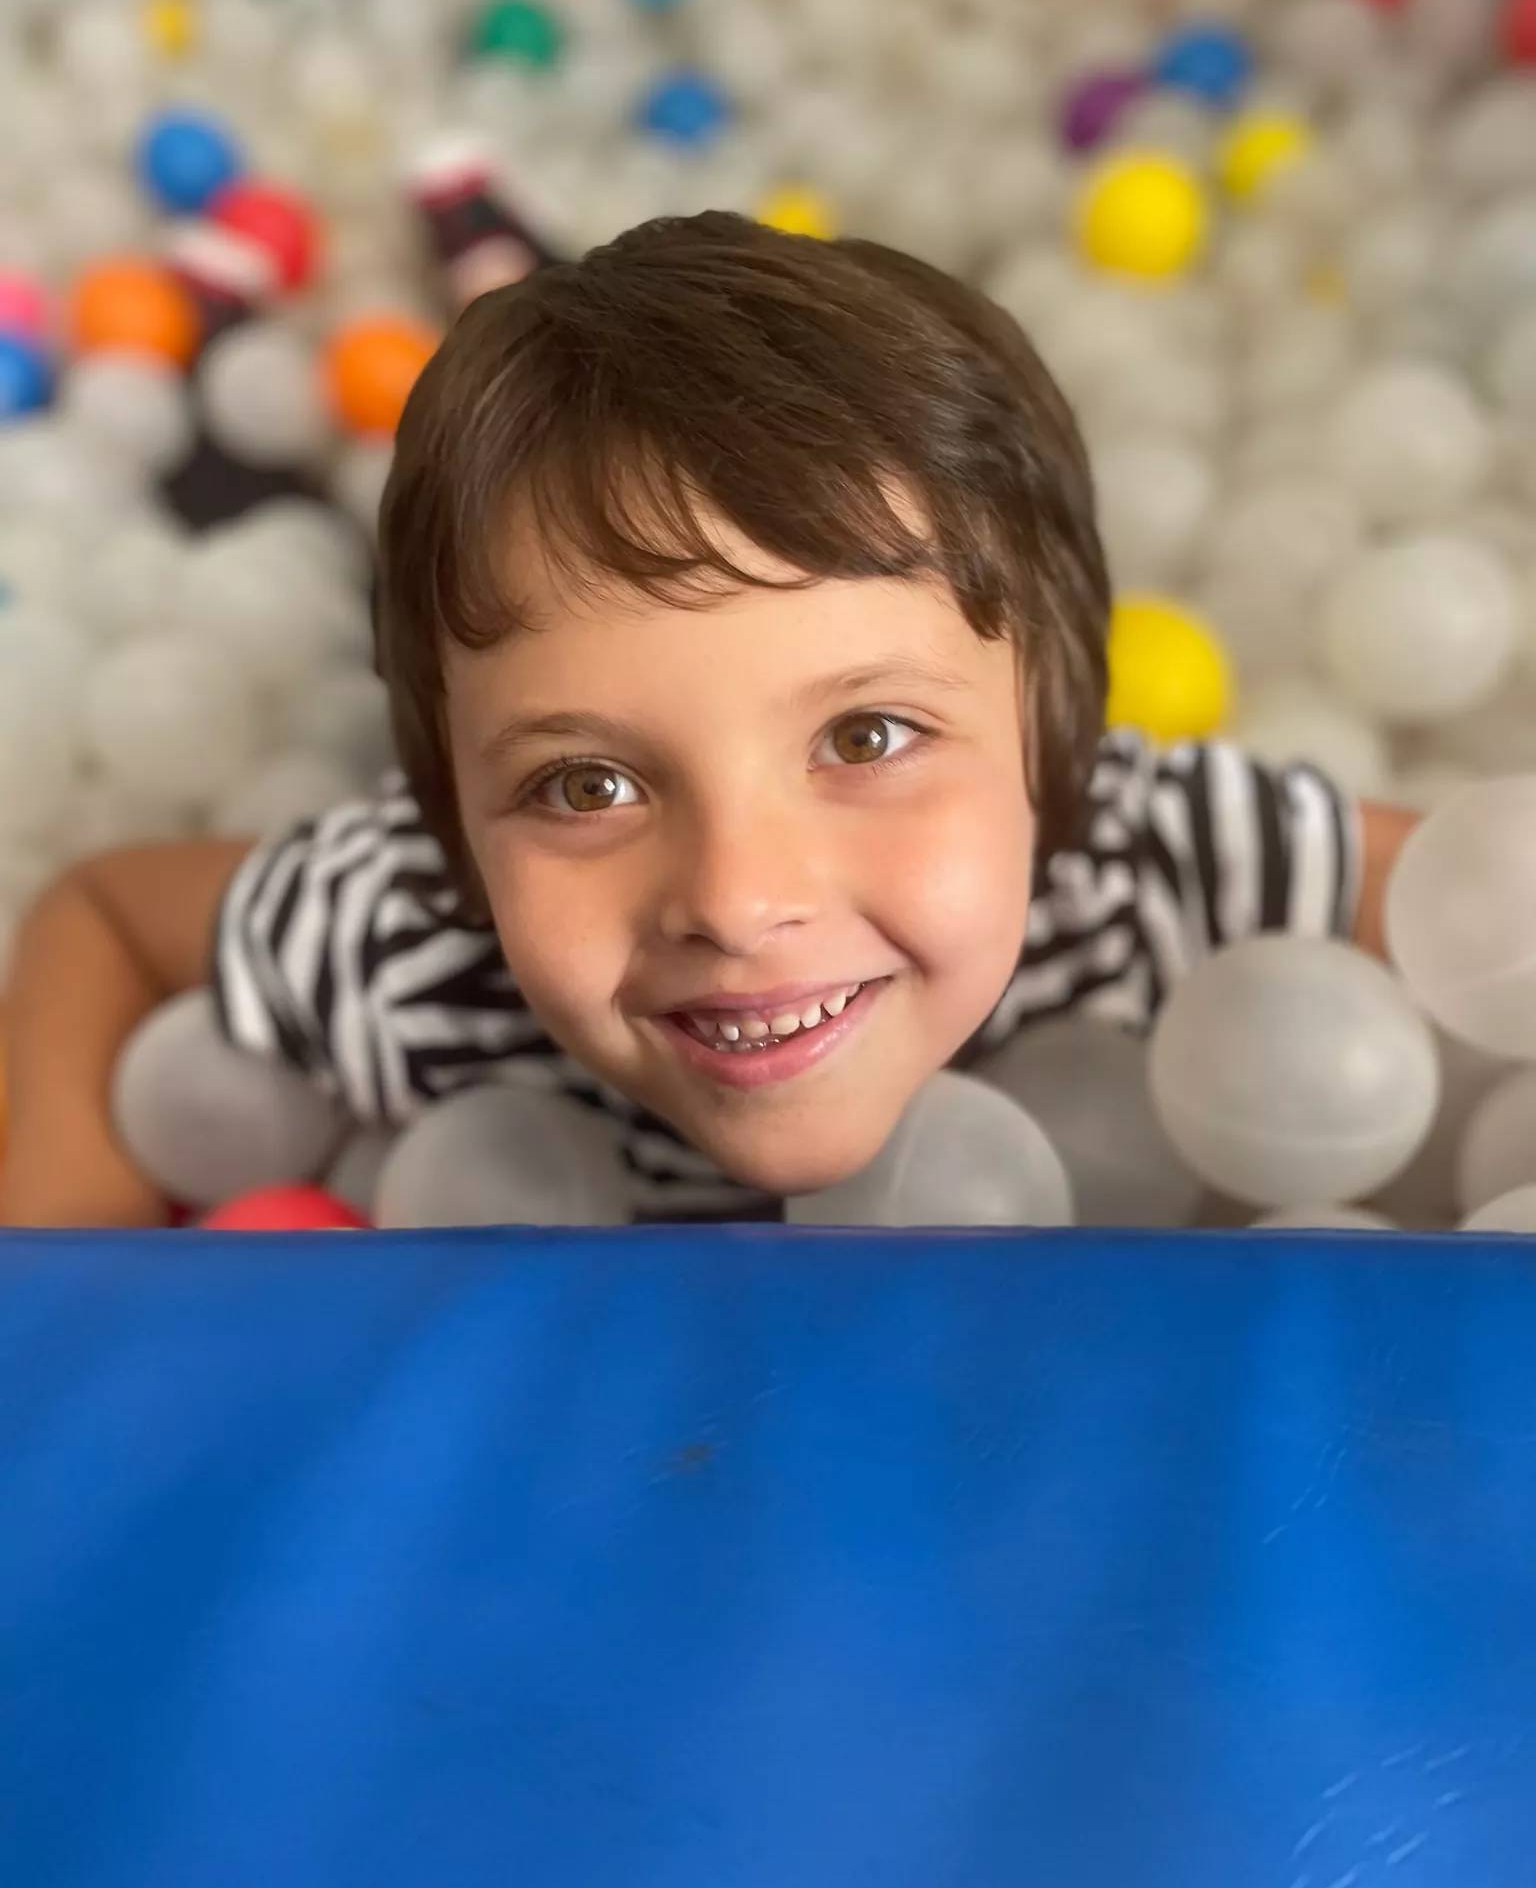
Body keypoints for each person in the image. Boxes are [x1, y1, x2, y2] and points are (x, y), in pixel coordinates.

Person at [0, 213, 1417, 1227]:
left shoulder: (1153, 865)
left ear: (1053, 739)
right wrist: (75, 1318)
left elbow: (1473, 907)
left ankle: (490, 239)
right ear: (458, 835)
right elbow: (106, 918)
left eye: (864, 739)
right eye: (586, 786)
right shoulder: (414, 948)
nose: (737, 904)